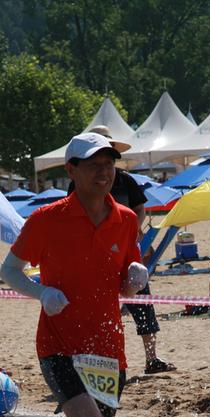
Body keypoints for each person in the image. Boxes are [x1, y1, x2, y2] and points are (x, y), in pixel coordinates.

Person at [0, 132, 149, 417]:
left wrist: (134, 277)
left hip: (108, 347)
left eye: (109, 163)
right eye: (94, 164)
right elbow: (9, 271)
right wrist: (41, 291)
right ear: (71, 169)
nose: (104, 171)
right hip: (59, 343)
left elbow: (125, 276)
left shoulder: (126, 219)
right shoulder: (47, 219)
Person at [67, 124, 175, 375]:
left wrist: (129, 230)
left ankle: (152, 359)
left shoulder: (125, 179)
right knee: (93, 310)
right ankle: (92, 361)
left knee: (143, 304)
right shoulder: (78, 183)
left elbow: (139, 209)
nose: (103, 166)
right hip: (93, 257)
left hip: (126, 254)